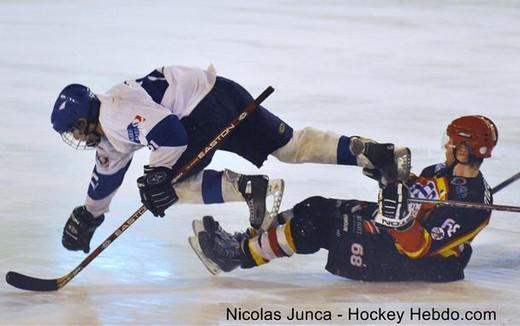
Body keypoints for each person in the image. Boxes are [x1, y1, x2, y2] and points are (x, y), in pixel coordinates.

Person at [51, 64, 410, 254]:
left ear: (83, 121)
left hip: (200, 115)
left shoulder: (114, 114)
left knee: (168, 187)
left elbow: (172, 134)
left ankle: (246, 188)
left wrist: (159, 175)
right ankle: (373, 153)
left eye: (75, 132)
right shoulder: (111, 127)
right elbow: (107, 176)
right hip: (224, 92)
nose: (78, 139)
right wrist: (89, 215)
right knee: (290, 147)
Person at [191, 115, 498, 282]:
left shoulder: (472, 207)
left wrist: (401, 220)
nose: (446, 146)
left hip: (414, 262)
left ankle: (238, 256)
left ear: (465, 149)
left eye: (452, 142)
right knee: (316, 206)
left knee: (315, 227)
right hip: (395, 232)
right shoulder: (442, 172)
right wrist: (390, 178)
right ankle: (246, 241)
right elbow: (416, 190)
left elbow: (419, 248)